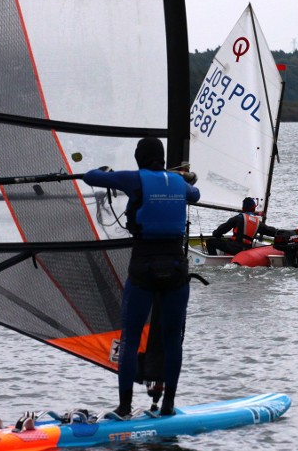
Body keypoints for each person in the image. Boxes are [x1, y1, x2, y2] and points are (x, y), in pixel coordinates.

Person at [83, 137, 200, 418]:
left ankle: (124, 407)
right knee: (172, 340)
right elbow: (194, 194)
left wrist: (107, 172)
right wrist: (179, 177)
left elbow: (90, 177)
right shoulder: (179, 184)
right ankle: (169, 405)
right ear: (161, 158)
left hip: (144, 268)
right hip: (175, 269)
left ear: (140, 159)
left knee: (131, 338)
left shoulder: (135, 180)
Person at [205, 197, 277, 255]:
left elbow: (222, 229)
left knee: (210, 242)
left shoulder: (238, 218)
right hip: (247, 250)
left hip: (233, 249)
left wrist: (216, 234)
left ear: (243, 208)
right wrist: (282, 233)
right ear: (254, 208)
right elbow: (270, 231)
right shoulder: (258, 222)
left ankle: (213, 259)